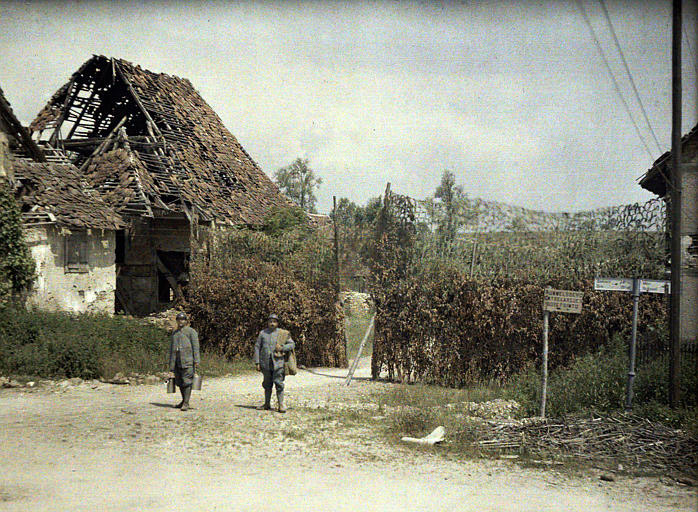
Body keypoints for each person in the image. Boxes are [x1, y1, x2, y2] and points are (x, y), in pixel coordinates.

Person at [253, 313, 294, 413]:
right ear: (268, 322)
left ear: (277, 323)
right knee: (267, 384)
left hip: (278, 363)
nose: (272, 323)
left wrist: (282, 348)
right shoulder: (262, 333)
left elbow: (292, 344)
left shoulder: (283, 334)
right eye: (270, 321)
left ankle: (281, 405)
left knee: (279, 383)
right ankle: (267, 404)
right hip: (265, 363)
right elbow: (257, 347)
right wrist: (257, 362)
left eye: (274, 322)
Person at [168, 312, 200, 411]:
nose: (180, 321)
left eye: (182, 319)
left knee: (187, 381)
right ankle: (183, 400)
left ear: (186, 321)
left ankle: (186, 403)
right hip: (177, 362)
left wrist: (196, 360)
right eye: (178, 319)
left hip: (188, 361)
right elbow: (172, 349)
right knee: (180, 382)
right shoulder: (175, 333)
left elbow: (195, 347)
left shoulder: (191, 332)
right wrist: (171, 364)